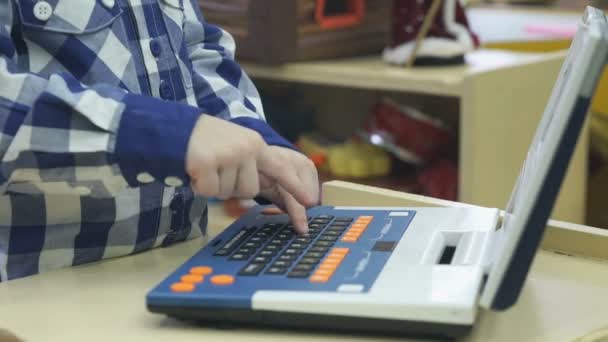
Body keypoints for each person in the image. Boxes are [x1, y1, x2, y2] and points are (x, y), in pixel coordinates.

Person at [0, 0, 319, 281]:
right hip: (41, 291)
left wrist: (251, 141)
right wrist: (168, 134)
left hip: (182, 266)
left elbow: (195, 51)